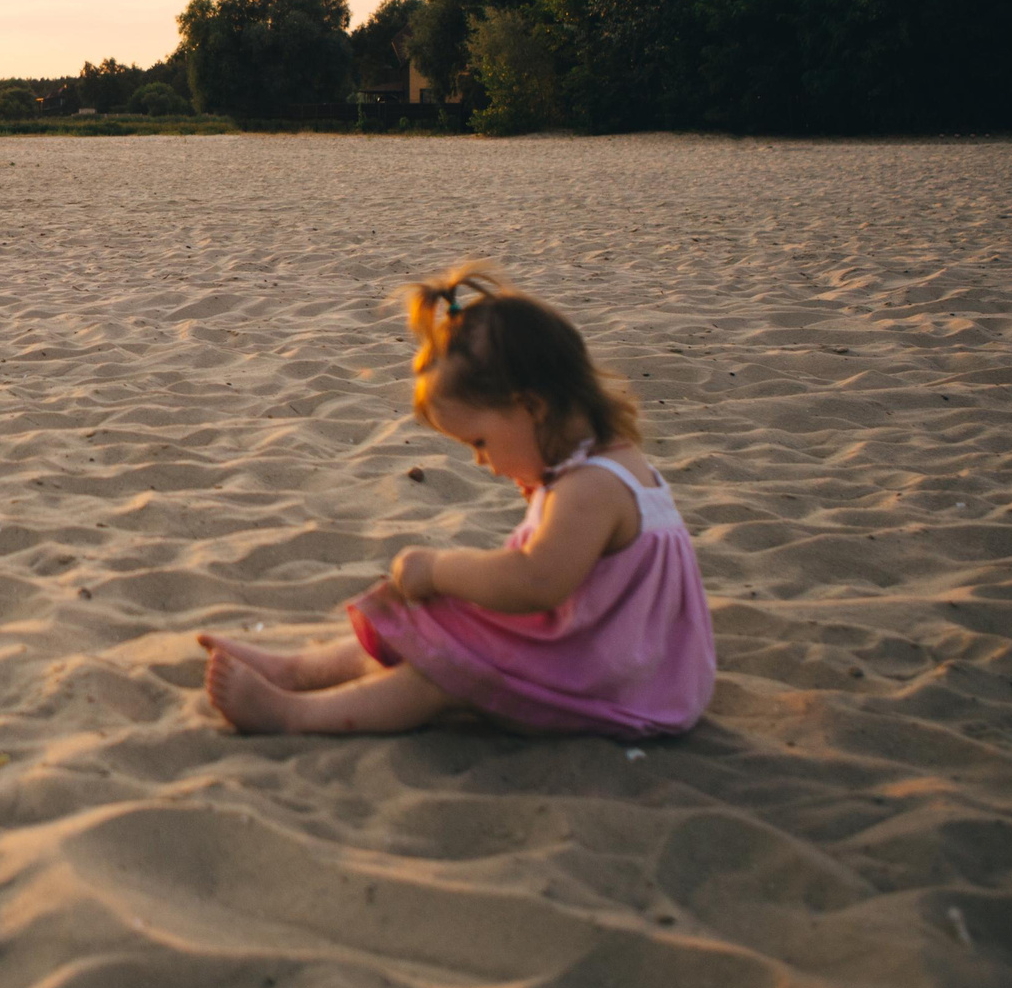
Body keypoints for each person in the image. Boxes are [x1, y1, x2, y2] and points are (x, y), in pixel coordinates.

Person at [200, 264, 716, 739]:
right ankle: (295, 671)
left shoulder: (589, 490)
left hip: (616, 687)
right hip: (626, 663)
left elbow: (535, 582)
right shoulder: (608, 465)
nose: (482, 463)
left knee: (444, 666)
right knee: (440, 627)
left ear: (531, 408)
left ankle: (293, 714)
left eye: (480, 443)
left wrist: (439, 569)